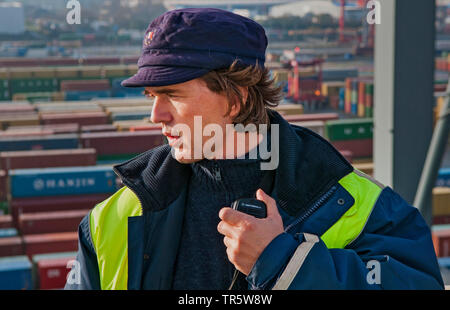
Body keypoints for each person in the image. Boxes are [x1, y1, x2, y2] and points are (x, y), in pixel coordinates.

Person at [65, 8, 444, 290]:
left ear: (235, 98)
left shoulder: (354, 203)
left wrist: (286, 263)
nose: (155, 115)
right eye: (151, 96)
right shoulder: (112, 220)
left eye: (171, 95)